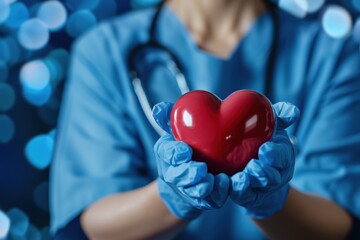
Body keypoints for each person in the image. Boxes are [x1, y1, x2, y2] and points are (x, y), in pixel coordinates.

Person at [50, 0, 360, 239]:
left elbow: (339, 221)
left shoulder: (334, 55)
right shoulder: (103, 50)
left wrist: (274, 201)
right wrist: (172, 197)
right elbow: (95, 224)